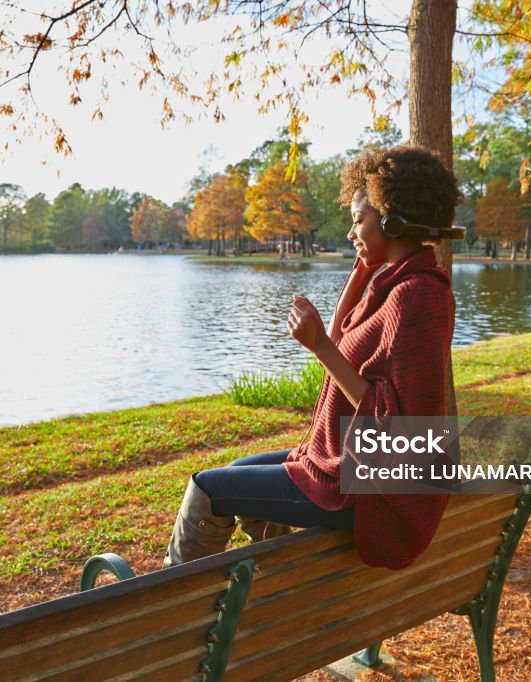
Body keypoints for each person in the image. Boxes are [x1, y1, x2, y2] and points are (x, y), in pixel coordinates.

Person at [163, 145, 460, 570]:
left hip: (364, 489)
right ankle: (272, 589)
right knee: (237, 470)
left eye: (359, 220)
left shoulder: (416, 296)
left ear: (393, 220)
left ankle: (173, 609)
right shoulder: (397, 284)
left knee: (207, 489)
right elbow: (343, 337)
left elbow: (395, 424)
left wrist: (319, 346)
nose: (350, 232)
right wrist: (362, 267)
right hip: (341, 465)